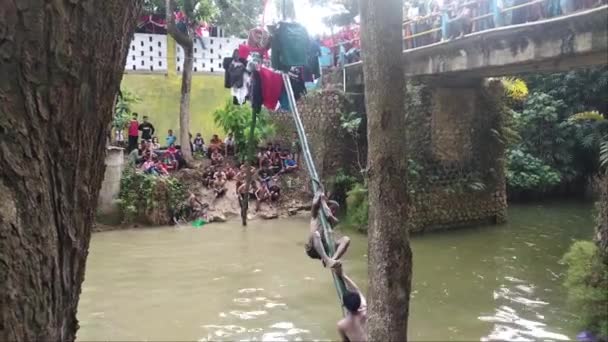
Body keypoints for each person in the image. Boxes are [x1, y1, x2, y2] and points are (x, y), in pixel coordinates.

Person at [305, 189, 350, 269]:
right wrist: (321, 199)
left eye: (335, 210)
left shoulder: (334, 221)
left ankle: (332, 259)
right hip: (313, 246)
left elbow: (329, 216)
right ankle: (326, 259)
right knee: (316, 234)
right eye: (332, 208)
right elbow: (315, 204)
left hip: (326, 247)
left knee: (346, 239)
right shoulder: (316, 215)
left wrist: (324, 203)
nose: (333, 211)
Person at [335, 264, 367, 342]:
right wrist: (343, 275)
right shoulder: (367, 312)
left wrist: (341, 274)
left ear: (343, 305)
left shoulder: (342, 325)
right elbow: (357, 290)